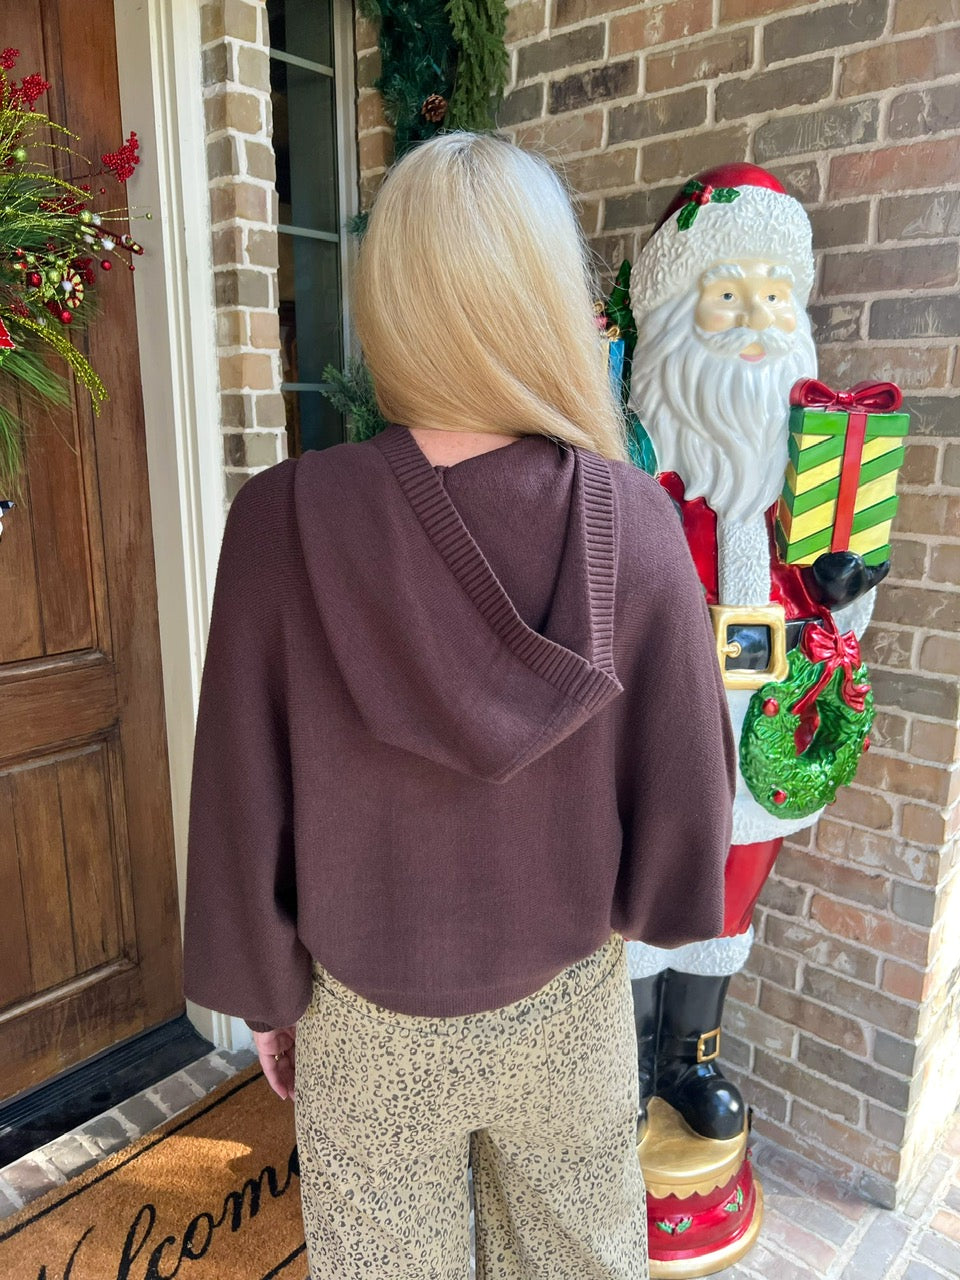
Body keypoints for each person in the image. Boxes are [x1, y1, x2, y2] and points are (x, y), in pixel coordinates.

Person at [181, 131, 736, 1280]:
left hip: (366, 1020)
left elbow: (242, 791)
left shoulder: (280, 522)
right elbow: (690, 776)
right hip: (566, 1007)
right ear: (545, 295)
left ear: (394, 296)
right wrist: (623, 912)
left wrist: (268, 995)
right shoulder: (633, 521)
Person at [626, 164, 887, 1142]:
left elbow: (813, 610)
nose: (754, 323)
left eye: (774, 297)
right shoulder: (635, 471)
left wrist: (836, 597)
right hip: (656, 730)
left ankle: (690, 1060)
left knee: (728, 904)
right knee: (643, 901)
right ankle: (625, 1059)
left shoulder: (804, 478)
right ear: (673, 310)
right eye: (727, 295)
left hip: (761, 727)